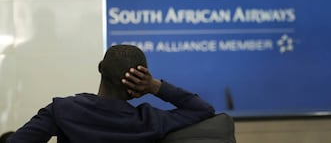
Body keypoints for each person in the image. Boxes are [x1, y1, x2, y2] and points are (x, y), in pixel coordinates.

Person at [7, 44, 215, 143]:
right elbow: (202, 109)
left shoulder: (62, 109)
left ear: (100, 68)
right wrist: (154, 86)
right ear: (139, 85)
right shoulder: (151, 121)